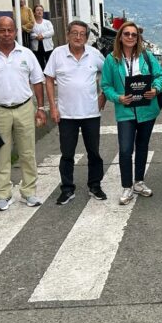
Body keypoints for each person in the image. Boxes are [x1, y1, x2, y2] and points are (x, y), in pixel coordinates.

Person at [0, 16, 47, 211]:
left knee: (27, 153)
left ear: (15, 31)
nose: (6, 34)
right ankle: (3, 195)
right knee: (1, 155)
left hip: (24, 108)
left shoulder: (26, 54)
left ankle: (29, 192)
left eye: (10, 30)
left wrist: (40, 108)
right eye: (2, 30)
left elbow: (37, 81)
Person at [101, 21, 162, 205]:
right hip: (125, 112)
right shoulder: (111, 60)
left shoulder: (146, 56)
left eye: (134, 35)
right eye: (126, 34)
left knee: (142, 147)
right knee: (125, 149)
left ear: (138, 38)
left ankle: (139, 182)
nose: (130, 37)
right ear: (120, 37)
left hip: (147, 110)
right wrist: (117, 97)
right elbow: (106, 85)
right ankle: (126, 186)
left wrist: (155, 89)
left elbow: (161, 76)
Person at [44, 20, 107, 205]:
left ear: (87, 37)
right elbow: (49, 79)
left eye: (82, 34)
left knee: (93, 152)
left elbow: (108, 72)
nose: (78, 37)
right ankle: (67, 188)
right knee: (67, 154)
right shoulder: (58, 54)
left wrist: (103, 94)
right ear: (68, 35)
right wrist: (53, 107)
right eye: (74, 33)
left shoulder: (94, 54)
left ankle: (95, 185)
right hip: (66, 115)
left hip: (91, 113)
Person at [30, 4, 55, 70]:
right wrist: (36, 36)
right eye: (37, 10)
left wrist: (42, 35)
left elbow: (52, 32)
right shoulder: (32, 23)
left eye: (41, 10)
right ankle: (42, 77)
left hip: (47, 46)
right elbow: (30, 33)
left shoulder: (47, 22)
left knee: (49, 63)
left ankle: (49, 76)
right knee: (39, 63)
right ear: (34, 12)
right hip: (37, 47)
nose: (39, 12)